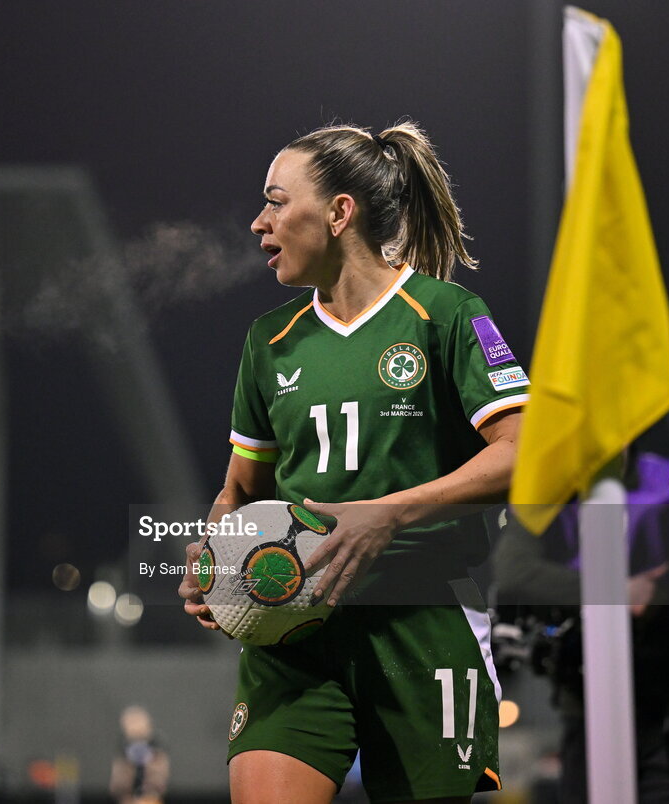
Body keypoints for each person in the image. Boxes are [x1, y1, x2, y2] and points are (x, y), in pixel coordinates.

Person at [178, 122, 529, 803]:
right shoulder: (269, 341)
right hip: (291, 629)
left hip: (422, 621)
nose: (259, 222)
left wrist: (386, 515)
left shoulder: (444, 314)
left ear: (340, 212)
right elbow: (239, 490)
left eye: (277, 201)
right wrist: (213, 557)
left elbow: (521, 450)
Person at [493, 449, 669, 803]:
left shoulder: (668, 480)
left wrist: (661, 590)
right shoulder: (548, 490)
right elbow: (513, 573)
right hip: (585, 695)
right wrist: (618, 590)